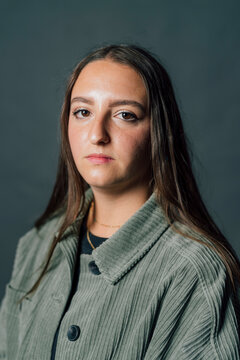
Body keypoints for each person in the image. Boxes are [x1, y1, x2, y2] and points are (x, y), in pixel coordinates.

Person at [0, 44, 239, 360]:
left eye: (125, 115)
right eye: (83, 112)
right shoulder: (37, 244)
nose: (97, 134)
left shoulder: (194, 272)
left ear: (158, 130)